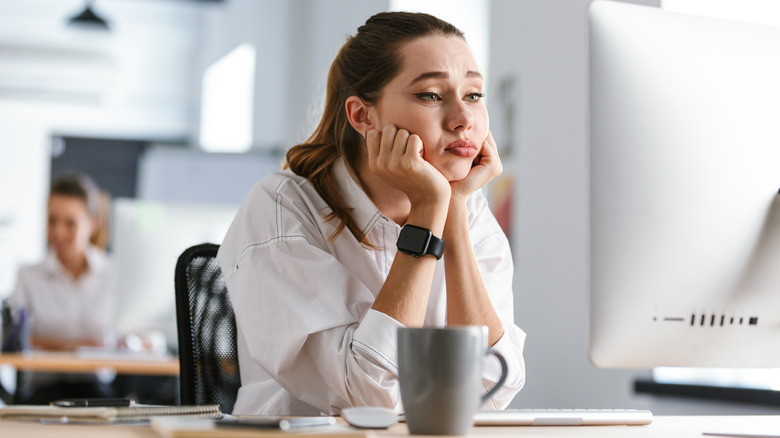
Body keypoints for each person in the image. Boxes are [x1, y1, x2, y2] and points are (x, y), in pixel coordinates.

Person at [218, 11, 526, 416]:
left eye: (473, 95)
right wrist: (428, 214)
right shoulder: (282, 209)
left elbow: (492, 387)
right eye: (431, 95)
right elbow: (366, 397)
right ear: (363, 116)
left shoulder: (467, 212)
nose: (463, 120)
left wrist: (451, 210)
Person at [8, 173, 117, 403]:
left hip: (98, 391)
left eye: (70, 223)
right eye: (52, 221)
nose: (58, 232)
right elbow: (13, 337)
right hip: (43, 390)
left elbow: (131, 336)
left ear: (93, 224)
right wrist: (79, 346)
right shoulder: (29, 276)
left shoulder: (113, 274)